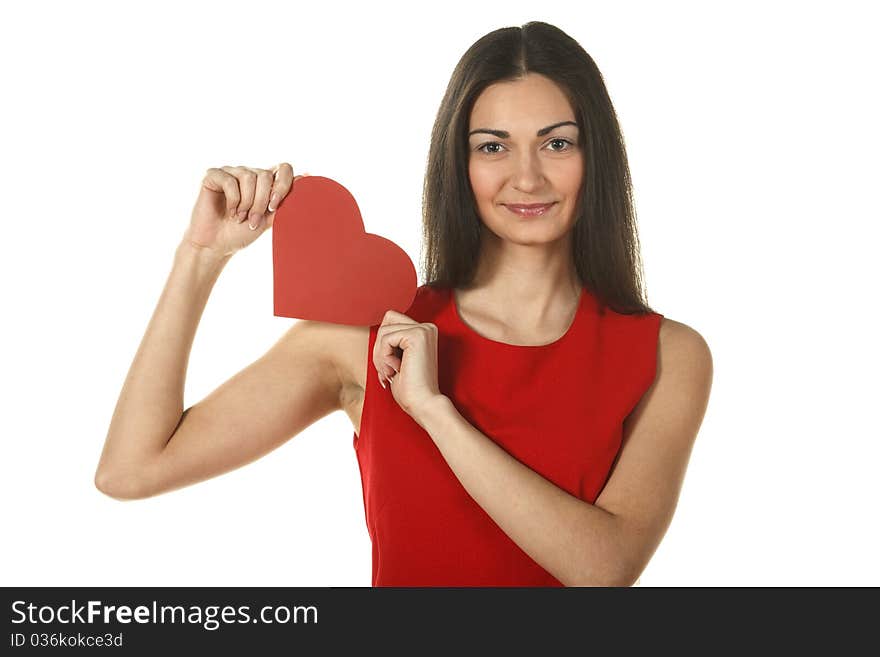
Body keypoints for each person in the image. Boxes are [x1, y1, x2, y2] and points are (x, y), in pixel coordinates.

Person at [95, 21, 712, 587]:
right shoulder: (365, 335)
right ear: (459, 163)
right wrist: (200, 258)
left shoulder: (666, 354)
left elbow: (603, 570)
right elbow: (131, 470)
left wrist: (433, 411)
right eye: (493, 147)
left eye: (557, 144)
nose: (527, 177)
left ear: (595, 156)